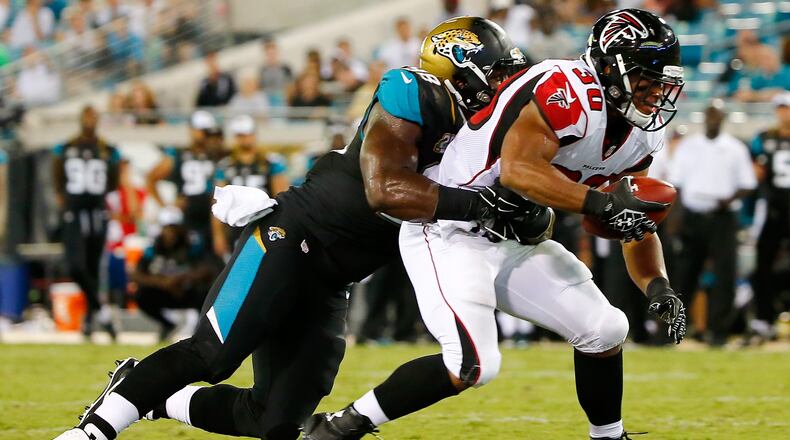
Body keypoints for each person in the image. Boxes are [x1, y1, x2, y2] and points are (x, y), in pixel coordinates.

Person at [56, 17, 530, 440]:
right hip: (292, 235)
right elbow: (384, 189)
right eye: (497, 72)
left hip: (333, 279)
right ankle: (94, 430)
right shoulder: (415, 93)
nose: (507, 84)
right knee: (212, 355)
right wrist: (485, 205)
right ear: (457, 69)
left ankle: (156, 397)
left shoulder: (492, 130)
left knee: (273, 421)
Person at [304, 9, 688, 440]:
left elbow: (631, 217)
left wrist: (658, 285)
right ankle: (342, 425)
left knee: (606, 328)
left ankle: (609, 436)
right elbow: (518, 170)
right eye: (646, 79)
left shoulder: (641, 136)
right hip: (450, 231)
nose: (656, 93)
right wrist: (598, 204)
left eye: (662, 82)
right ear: (609, 66)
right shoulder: (568, 89)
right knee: (472, 364)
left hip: (513, 237)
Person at [668, 101, 757, 346]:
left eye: (717, 116)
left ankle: (718, 333)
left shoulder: (735, 148)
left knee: (724, 276)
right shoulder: (689, 146)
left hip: (723, 217)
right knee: (685, 274)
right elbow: (677, 184)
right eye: (710, 116)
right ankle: (673, 331)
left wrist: (728, 199)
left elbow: (747, 184)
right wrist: (676, 220)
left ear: (723, 118)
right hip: (694, 215)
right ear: (704, 118)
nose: (713, 120)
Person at [52, 105, 121, 338]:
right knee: (76, 266)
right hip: (74, 213)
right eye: (87, 115)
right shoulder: (66, 147)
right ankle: (102, 312)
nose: (90, 120)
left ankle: (90, 321)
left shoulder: (107, 149)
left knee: (92, 267)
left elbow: (113, 182)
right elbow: (58, 180)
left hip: (97, 213)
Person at [132, 207, 219, 342]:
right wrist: (162, 283)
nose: (170, 233)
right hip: (165, 290)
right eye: (166, 228)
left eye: (173, 228)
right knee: (140, 294)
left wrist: (182, 279)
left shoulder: (193, 242)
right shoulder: (154, 246)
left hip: (187, 289)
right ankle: (167, 325)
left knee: (209, 293)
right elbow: (136, 274)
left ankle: (202, 331)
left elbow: (209, 269)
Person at [211, 114, 289, 259]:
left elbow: (282, 198)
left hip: (262, 223)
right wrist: (218, 235)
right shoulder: (225, 165)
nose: (245, 139)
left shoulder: (270, 162)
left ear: (254, 134)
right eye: (241, 135)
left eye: (247, 134)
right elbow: (218, 204)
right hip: (234, 226)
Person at [146, 110, 221, 254]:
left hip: (213, 214)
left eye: (208, 131)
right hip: (188, 214)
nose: (205, 135)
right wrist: (166, 206)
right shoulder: (179, 154)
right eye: (202, 131)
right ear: (192, 130)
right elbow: (151, 177)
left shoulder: (217, 154)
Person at [748, 92, 790, 340]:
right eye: (781, 109)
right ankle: (764, 318)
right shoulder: (764, 138)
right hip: (772, 210)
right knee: (763, 265)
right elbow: (756, 175)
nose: (784, 113)